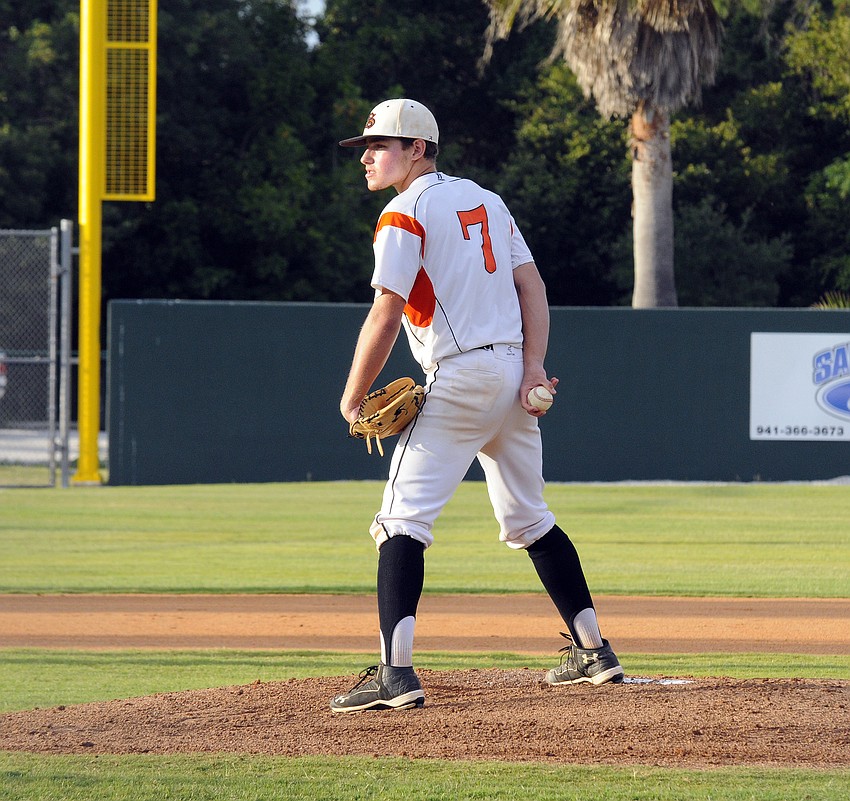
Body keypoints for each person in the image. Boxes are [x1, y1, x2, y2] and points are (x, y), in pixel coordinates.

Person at [330, 99, 623, 713]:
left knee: (400, 521)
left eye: (380, 144)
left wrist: (353, 395)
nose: (366, 155)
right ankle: (593, 651)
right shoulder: (488, 201)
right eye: (366, 145)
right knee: (530, 519)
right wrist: (535, 365)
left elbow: (386, 311)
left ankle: (394, 673)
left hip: (459, 377)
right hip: (514, 376)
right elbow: (532, 286)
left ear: (418, 149)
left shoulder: (403, 212)